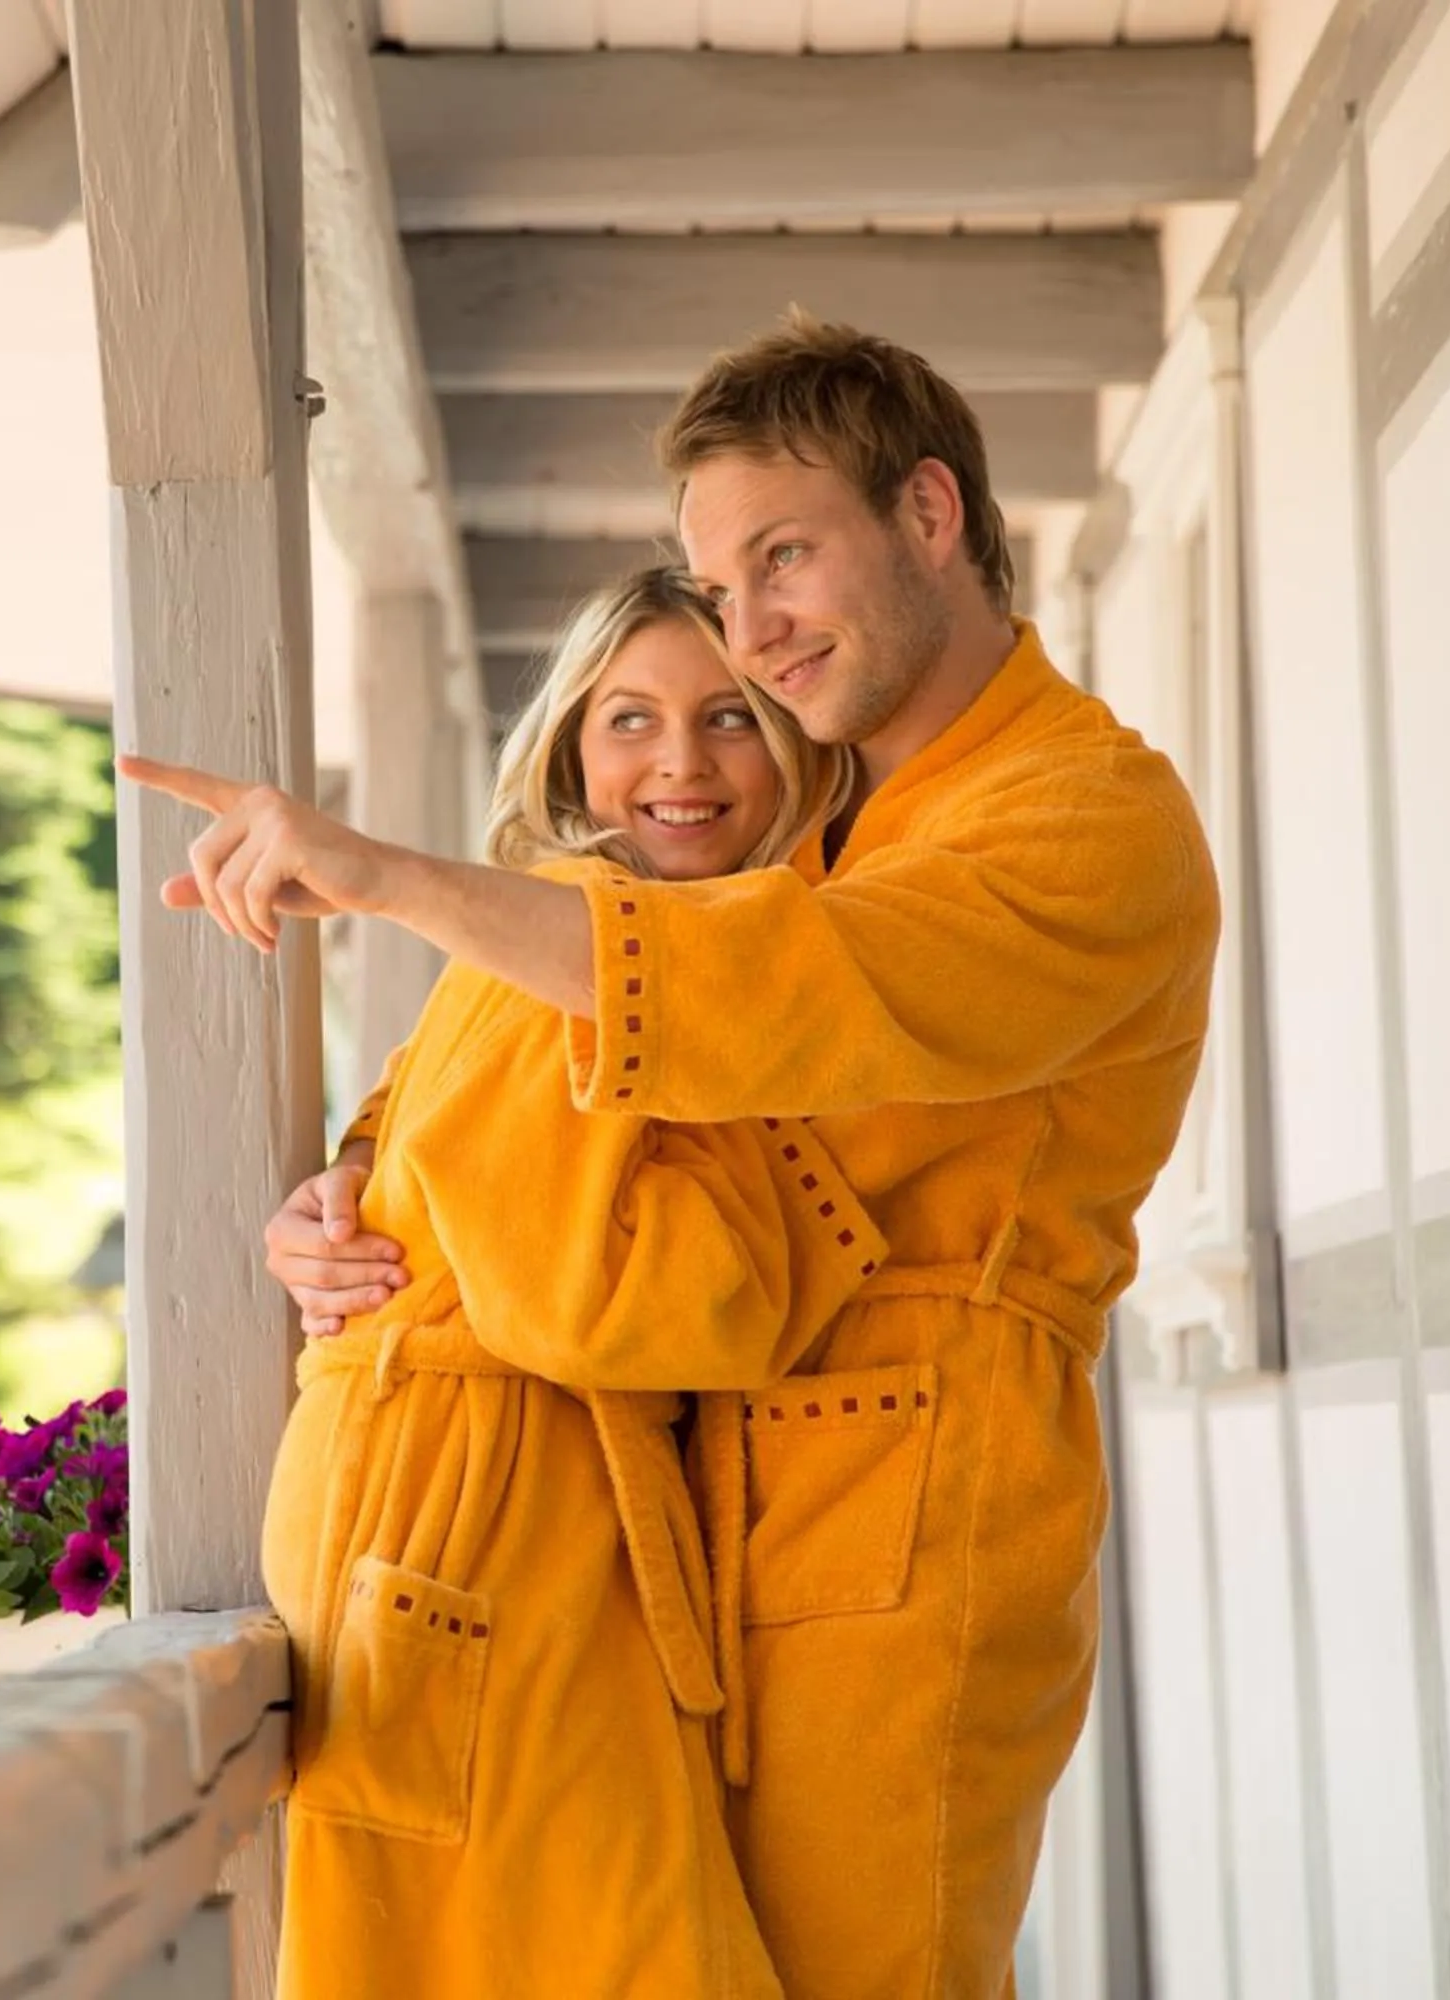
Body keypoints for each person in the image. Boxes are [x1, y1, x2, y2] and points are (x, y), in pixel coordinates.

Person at [125, 311, 1219, 1997]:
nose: (756, 633)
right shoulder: (840, 797)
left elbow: (782, 989)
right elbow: (577, 1064)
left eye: (787, 558)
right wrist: (357, 1179)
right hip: (700, 1504)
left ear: (931, 514)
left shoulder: (1082, 816)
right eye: (723, 587)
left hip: (911, 1499)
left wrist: (394, 878)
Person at [262, 565, 888, 2000]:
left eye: (731, 718)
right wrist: (778, 1210)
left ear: (798, 743)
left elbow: (441, 1157)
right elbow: (609, 1304)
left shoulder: (672, 953)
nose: (679, 763)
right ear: (567, 752)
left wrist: (352, 1171)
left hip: (517, 1510)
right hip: (467, 1512)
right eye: (630, 719)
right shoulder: (569, 928)